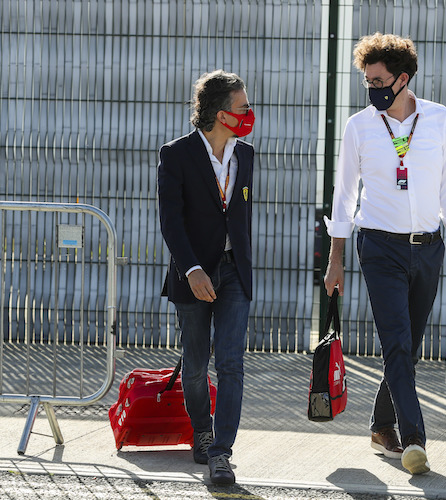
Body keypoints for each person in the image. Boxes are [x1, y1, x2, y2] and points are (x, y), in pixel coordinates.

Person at [323, 33, 446, 476]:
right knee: (396, 341)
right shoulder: (360, 127)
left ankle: (381, 425)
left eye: (378, 80)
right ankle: (414, 440)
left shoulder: (439, 119)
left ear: (402, 78)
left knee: (407, 345)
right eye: (366, 81)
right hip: (379, 248)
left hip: (429, 249)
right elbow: (345, 193)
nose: (372, 89)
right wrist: (337, 257)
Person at [157, 69, 255, 485]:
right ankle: (202, 430)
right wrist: (192, 268)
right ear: (220, 113)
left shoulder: (245, 155)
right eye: (243, 107)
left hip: (234, 272)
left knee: (231, 363)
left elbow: (237, 216)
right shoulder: (176, 154)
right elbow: (170, 221)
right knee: (196, 365)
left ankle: (221, 452)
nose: (250, 113)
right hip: (193, 271)